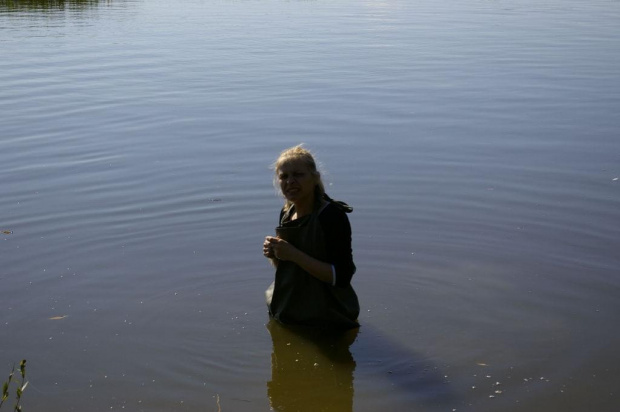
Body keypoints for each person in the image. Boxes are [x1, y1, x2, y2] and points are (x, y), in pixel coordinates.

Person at [263, 145, 360, 330]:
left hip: (329, 314)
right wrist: (275, 254)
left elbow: (341, 277)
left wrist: (293, 254)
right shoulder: (286, 213)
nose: (290, 181)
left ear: (315, 178)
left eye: (298, 174)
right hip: (290, 308)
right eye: (284, 176)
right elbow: (287, 267)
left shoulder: (332, 216)